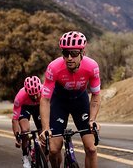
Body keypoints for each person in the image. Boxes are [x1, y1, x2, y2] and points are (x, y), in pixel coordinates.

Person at [39, 31, 101, 168]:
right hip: (59, 102)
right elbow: (45, 99)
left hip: (80, 101)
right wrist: (45, 128)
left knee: (91, 148)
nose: (69, 58)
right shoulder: (54, 67)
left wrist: (92, 120)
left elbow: (96, 95)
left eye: (73, 53)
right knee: (54, 150)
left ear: (82, 53)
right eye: (65, 53)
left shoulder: (92, 67)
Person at [12, 76, 43, 168]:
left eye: (37, 94)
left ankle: (36, 151)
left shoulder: (44, 90)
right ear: (26, 91)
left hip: (38, 107)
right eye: (31, 95)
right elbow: (15, 119)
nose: (35, 96)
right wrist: (18, 138)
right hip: (25, 108)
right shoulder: (20, 96)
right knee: (25, 131)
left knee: (43, 132)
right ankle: (25, 156)